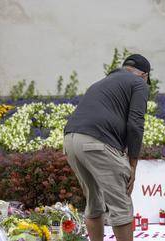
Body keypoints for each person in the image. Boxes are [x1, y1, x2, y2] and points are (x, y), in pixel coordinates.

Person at [63, 54, 150, 241]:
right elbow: (136, 124)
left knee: (94, 203)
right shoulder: (139, 83)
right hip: (97, 142)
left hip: (70, 141)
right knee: (121, 206)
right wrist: (132, 164)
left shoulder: (102, 82)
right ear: (144, 75)